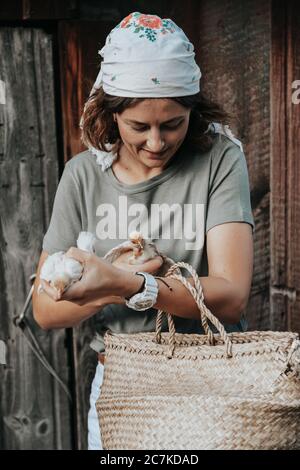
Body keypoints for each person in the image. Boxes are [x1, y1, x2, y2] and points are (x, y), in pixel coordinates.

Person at [32, 12, 255, 450]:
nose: (157, 142)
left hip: (210, 381)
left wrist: (126, 282)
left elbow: (231, 297)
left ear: (192, 108)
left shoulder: (219, 160)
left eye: (173, 123)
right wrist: (119, 287)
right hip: (120, 389)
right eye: (139, 127)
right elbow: (44, 309)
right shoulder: (82, 177)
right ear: (110, 113)